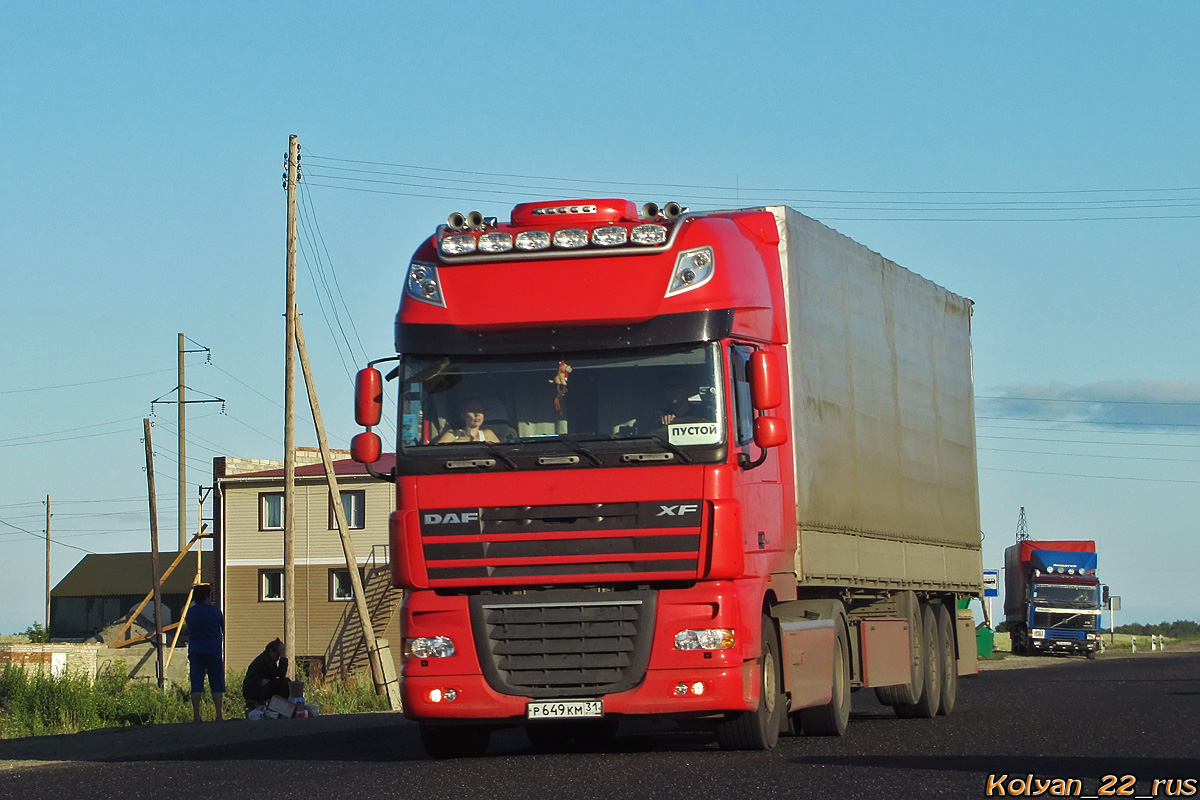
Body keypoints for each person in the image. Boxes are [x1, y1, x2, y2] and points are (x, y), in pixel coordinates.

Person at [185, 584, 225, 723]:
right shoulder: (215, 611)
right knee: (216, 682)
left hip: (195, 649)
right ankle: (219, 715)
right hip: (213, 650)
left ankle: (196, 716)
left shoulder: (191, 612)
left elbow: (188, 626)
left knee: (196, 683)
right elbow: (222, 625)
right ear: (208, 596)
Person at [243, 638, 292, 708]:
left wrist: (269, 681)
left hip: (255, 690)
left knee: (285, 682)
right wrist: (283, 656)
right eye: (278, 654)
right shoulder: (266, 660)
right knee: (284, 683)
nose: (278, 658)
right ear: (271, 651)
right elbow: (281, 674)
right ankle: (281, 707)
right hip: (254, 691)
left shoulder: (266, 658)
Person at [436, 398, 501, 443]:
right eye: (472, 411)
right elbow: (437, 452)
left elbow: (502, 452)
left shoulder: (488, 434)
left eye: (480, 410)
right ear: (463, 415)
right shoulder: (453, 434)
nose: (477, 414)